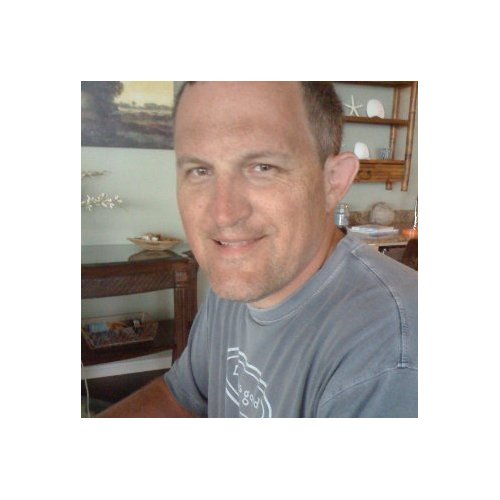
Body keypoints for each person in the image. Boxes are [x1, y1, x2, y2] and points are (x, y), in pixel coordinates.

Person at [99, 81, 417, 418]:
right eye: (200, 170)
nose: (224, 214)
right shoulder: (238, 278)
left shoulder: (389, 354)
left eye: (263, 167)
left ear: (333, 181)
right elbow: (180, 397)